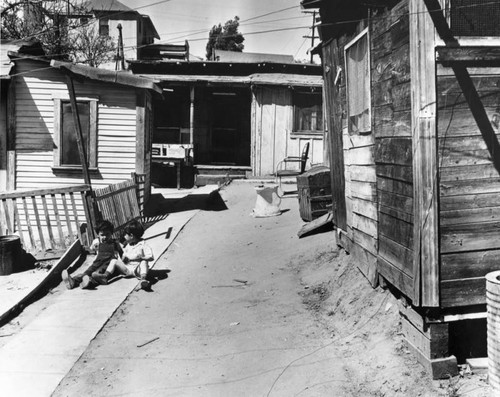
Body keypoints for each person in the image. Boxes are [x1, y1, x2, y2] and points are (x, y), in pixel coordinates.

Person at [92, 219, 153, 290]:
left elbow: (151, 257)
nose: (124, 236)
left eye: (125, 234)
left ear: (131, 236)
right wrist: (124, 258)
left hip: (138, 269)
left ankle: (143, 279)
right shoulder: (128, 245)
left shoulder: (143, 245)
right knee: (114, 261)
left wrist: (142, 257)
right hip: (127, 269)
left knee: (144, 262)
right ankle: (105, 276)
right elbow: (124, 255)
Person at [61, 220, 123, 290]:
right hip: (96, 263)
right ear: (98, 235)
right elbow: (91, 248)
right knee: (87, 272)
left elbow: (122, 254)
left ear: (111, 233)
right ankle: (73, 282)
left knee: (97, 275)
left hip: (107, 264)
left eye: (107, 234)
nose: (105, 237)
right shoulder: (97, 242)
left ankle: (88, 283)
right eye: (102, 235)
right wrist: (95, 247)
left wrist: (123, 262)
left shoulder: (115, 243)